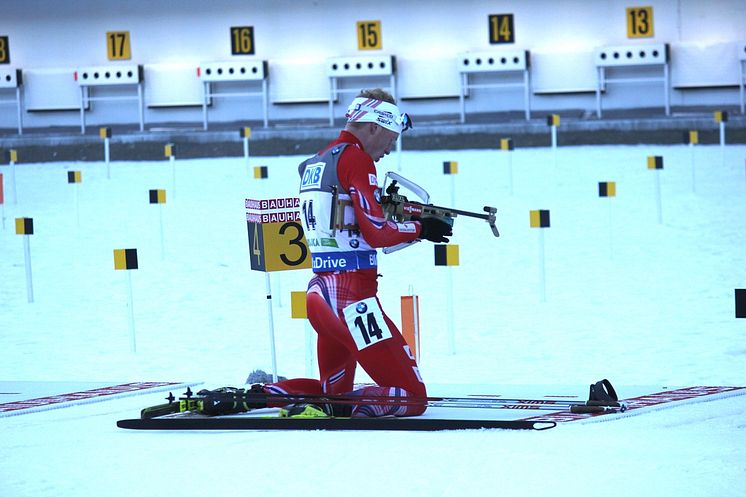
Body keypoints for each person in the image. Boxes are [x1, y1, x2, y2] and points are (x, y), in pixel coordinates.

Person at [203, 89, 453, 418]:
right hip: (352, 301)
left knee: (332, 391)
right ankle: (339, 409)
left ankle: (258, 396)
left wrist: (406, 220)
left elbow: (351, 227)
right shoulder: (356, 158)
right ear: (374, 127)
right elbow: (376, 233)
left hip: (320, 295)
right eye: (391, 137)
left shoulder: (318, 160)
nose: (389, 148)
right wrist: (423, 228)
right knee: (412, 399)